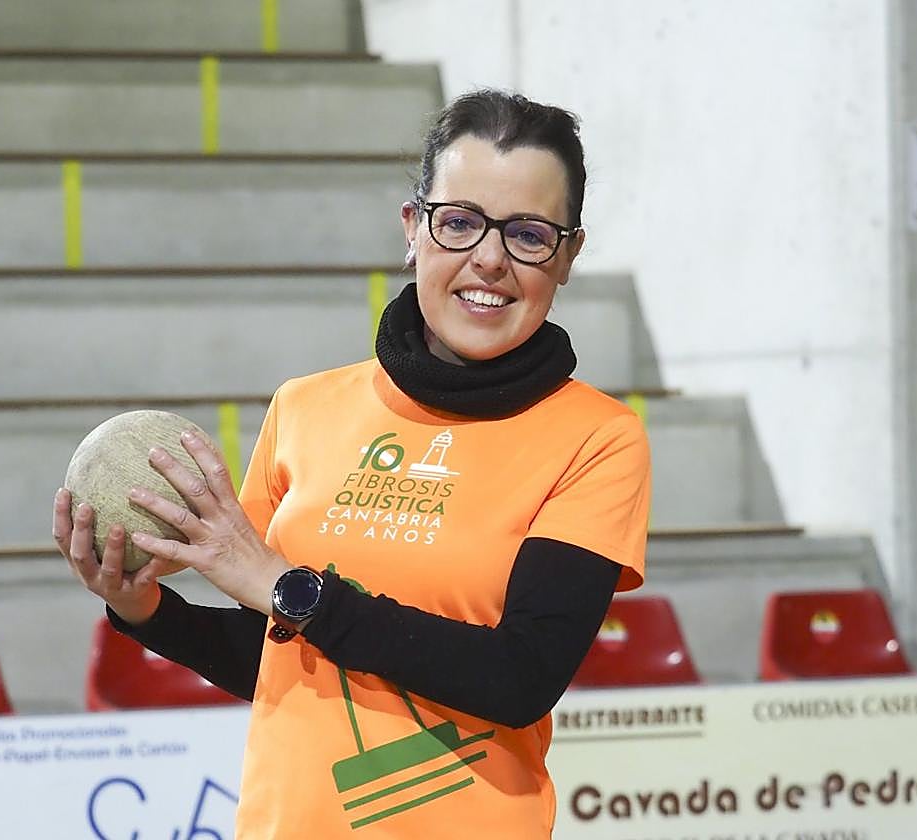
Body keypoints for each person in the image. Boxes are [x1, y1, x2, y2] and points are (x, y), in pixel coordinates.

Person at [53, 89, 650, 838]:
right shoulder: (304, 408)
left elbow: (518, 677)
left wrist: (290, 589)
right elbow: (283, 658)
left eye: (528, 234)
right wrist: (144, 609)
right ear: (412, 229)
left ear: (566, 255)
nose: (489, 260)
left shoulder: (596, 437)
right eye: (459, 222)